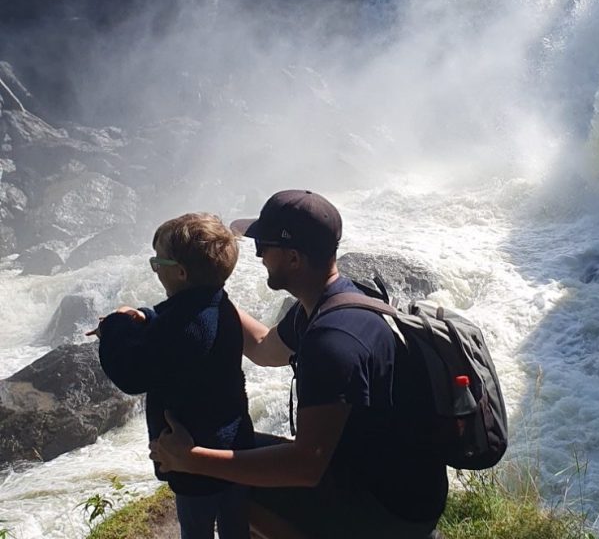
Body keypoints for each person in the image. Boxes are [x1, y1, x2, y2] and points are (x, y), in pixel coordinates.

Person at [149, 189, 448, 539]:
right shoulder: (330, 301)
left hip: (391, 512)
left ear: (293, 258)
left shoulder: (332, 342)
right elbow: (263, 347)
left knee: (230, 482)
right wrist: (207, 293)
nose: (258, 255)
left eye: (264, 246)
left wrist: (192, 459)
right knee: (230, 457)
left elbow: (305, 466)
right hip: (391, 482)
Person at [90, 212, 254, 539]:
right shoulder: (217, 306)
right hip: (234, 445)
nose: (154, 269)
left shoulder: (185, 328)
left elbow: (132, 374)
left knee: (196, 528)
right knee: (236, 525)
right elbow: (174, 321)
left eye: (157, 263)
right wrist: (146, 316)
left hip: (193, 456)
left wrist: (115, 327)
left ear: (180, 272)